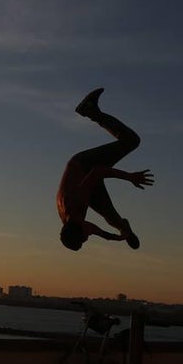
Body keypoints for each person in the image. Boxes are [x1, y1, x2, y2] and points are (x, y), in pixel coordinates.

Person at [57, 88, 154, 251]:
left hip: (84, 165)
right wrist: (116, 238)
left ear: (80, 227)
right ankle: (125, 230)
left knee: (131, 141)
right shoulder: (73, 223)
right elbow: (97, 231)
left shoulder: (75, 203)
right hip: (87, 183)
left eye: (84, 238)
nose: (88, 237)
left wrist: (130, 177)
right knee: (112, 218)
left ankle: (91, 111)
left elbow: (98, 171)